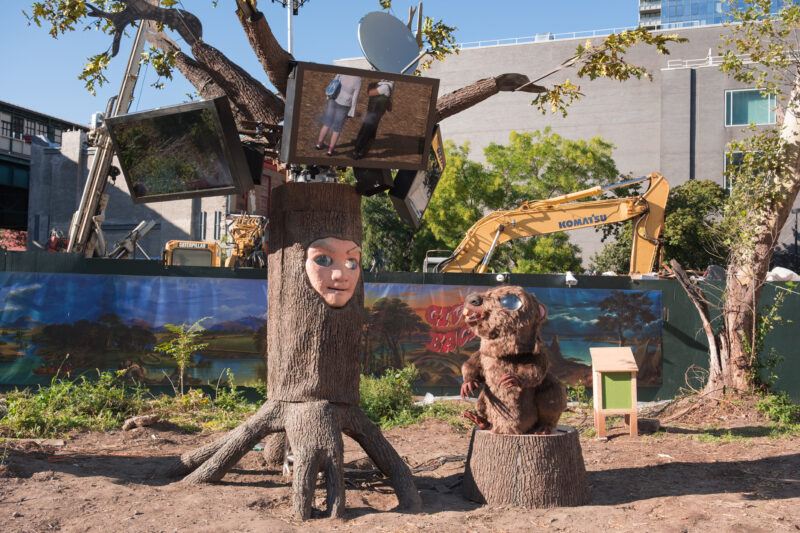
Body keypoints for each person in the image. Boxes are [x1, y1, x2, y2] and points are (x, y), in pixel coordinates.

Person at [316, 74, 362, 156]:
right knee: (337, 128)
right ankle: (330, 150)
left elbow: (333, 84)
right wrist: (351, 112)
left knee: (327, 123)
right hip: (345, 104)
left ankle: (319, 144)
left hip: (333, 99)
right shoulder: (358, 79)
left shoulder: (342, 72)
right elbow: (355, 97)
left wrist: (328, 96)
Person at [353, 79, 394, 160]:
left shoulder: (385, 86)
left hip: (374, 113)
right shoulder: (386, 84)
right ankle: (361, 151)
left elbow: (370, 93)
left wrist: (371, 85)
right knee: (368, 133)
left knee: (366, 132)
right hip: (374, 113)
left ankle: (358, 151)